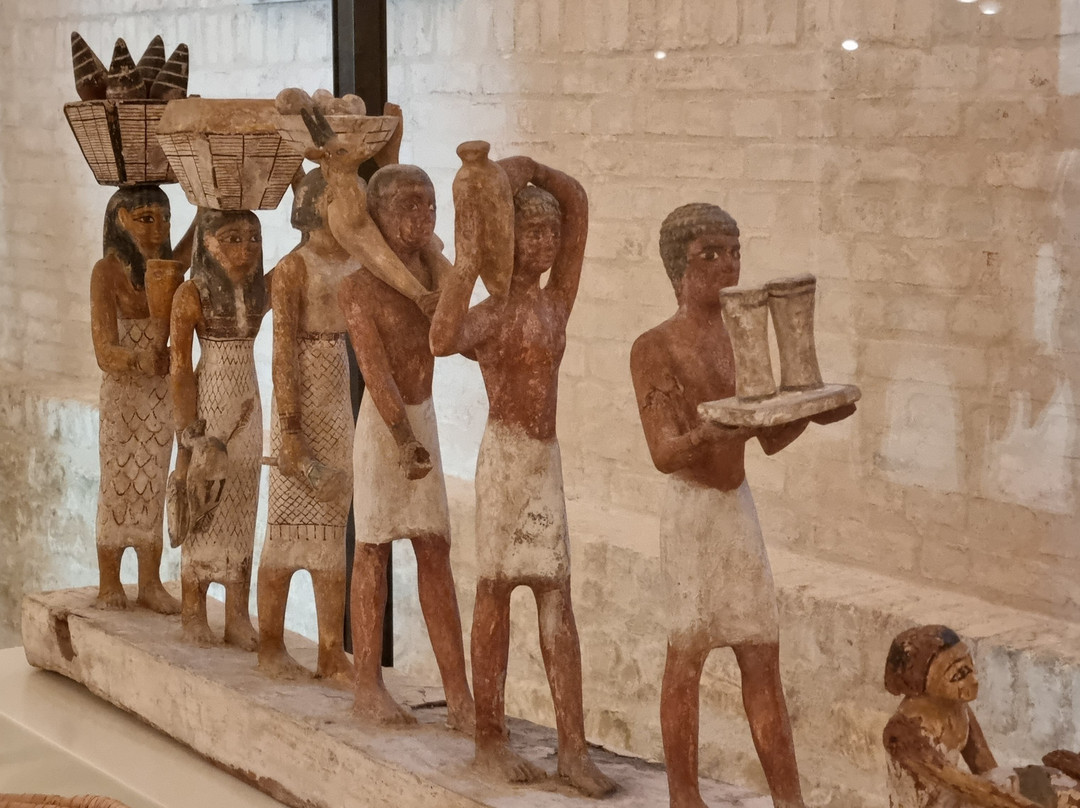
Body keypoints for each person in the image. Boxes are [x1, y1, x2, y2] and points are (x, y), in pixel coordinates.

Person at [629, 203, 853, 808]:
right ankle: (684, 797)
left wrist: (811, 411)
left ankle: (789, 800)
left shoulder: (741, 335)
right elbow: (664, 452)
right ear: (679, 268)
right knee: (688, 655)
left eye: (734, 252)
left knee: (761, 658)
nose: (728, 265)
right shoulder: (655, 345)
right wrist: (713, 431)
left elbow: (768, 437)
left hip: (736, 509)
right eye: (711, 254)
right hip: (693, 513)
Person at [430, 156, 615, 797]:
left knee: (558, 598)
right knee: (496, 593)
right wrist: (468, 257)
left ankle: (572, 748)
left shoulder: (555, 301)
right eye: (531, 232)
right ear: (506, 238)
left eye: (550, 234)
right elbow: (441, 338)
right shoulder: (494, 311)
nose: (546, 244)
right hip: (507, 460)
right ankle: (490, 738)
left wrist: (529, 170)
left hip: (544, 461)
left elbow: (579, 203)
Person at [339, 164, 473, 729]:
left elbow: (459, 340)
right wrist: (401, 437)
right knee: (371, 549)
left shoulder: (431, 277)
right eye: (408, 206)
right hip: (385, 429)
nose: (423, 217)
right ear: (378, 215)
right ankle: (367, 685)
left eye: (429, 205)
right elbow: (375, 372)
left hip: (424, 418)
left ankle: (459, 693)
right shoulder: (358, 286)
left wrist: (453, 281)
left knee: (434, 550)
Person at [256, 168, 356, 684]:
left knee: (330, 535)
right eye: (343, 198)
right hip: (299, 400)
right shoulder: (294, 268)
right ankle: (270, 644)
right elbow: (281, 353)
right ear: (317, 206)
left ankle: (330, 650)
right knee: (284, 532)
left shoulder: (356, 261)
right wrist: (290, 430)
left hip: (337, 397)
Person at [170, 208, 268, 649]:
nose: (245, 250)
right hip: (210, 404)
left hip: (248, 406)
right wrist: (188, 432)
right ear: (206, 244)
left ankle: (236, 615)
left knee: (243, 502)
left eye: (253, 239)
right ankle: (193, 610)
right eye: (231, 238)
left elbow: (306, 256)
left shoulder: (259, 290)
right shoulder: (191, 294)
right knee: (204, 505)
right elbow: (179, 368)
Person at [91, 185, 191, 612]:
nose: (158, 229)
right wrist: (137, 359)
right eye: (146, 219)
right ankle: (110, 581)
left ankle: (149, 581)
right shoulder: (106, 272)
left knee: (152, 483)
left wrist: (205, 212)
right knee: (119, 483)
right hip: (124, 396)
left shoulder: (165, 269)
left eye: (165, 219)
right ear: (121, 220)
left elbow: (186, 254)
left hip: (158, 394)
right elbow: (103, 351)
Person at [884, 625, 1080, 808]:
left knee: (1054, 782)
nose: (974, 680)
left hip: (960, 796)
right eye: (958, 674)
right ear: (923, 683)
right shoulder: (904, 733)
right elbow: (965, 786)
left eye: (970, 666)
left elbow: (987, 771)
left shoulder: (957, 708)